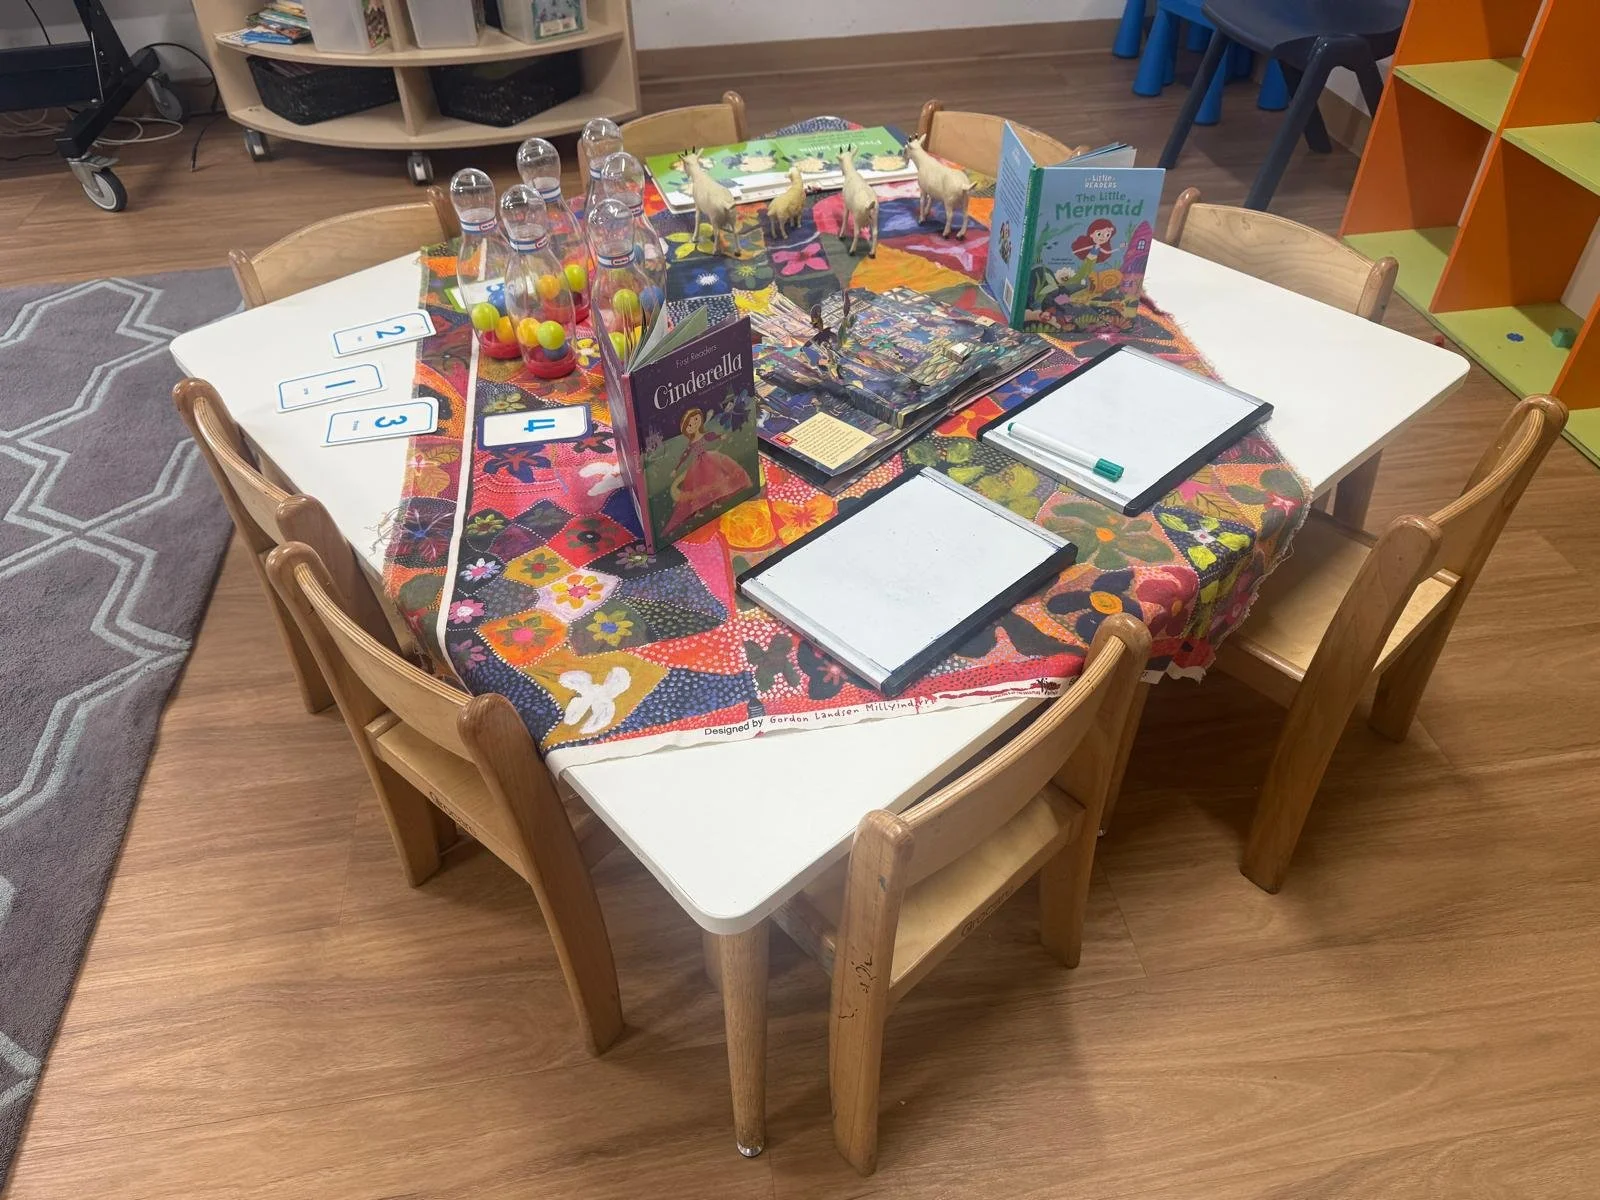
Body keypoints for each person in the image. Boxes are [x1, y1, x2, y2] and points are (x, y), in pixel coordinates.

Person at [666, 403, 752, 531]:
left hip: (709, 458)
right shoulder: (691, 443)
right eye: (690, 424)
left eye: (695, 420)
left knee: (715, 479)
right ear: (686, 429)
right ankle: (698, 509)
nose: (694, 424)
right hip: (699, 464)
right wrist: (675, 469)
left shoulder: (702, 435)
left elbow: (710, 436)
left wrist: (720, 436)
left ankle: (716, 501)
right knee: (699, 486)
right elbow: (685, 455)